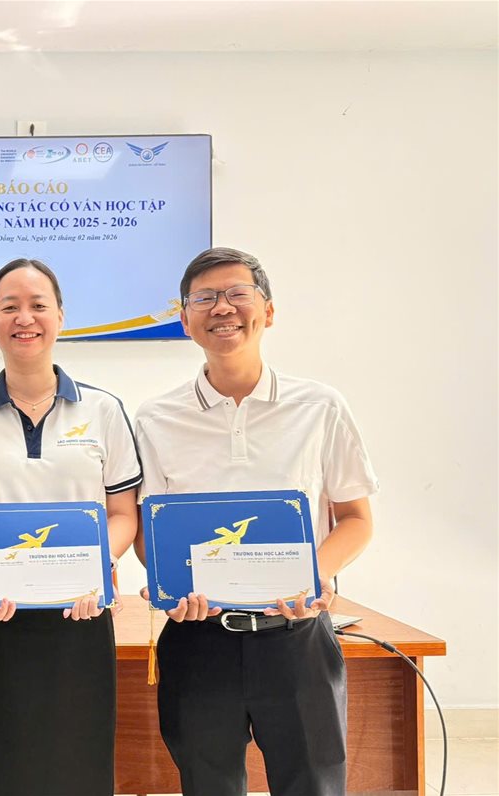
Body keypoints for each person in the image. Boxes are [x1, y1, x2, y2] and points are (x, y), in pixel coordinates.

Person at [133, 247, 378, 796]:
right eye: (204, 298)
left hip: (297, 638)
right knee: (208, 785)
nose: (222, 308)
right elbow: (151, 532)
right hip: (197, 639)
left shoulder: (320, 406)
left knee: (313, 784)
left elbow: (356, 519)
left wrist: (312, 575)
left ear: (268, 311)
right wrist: (168, 581)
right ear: (184, 319)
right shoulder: (155, 417)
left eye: (237, 294)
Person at [0, 258, 141, 796]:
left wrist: (97, 566)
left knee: (78, 767)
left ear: (60, 317)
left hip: (81, 617)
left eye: (37, 305)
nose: (24, 318)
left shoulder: (103, 410)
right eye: (9, 306)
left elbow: (124, 514)